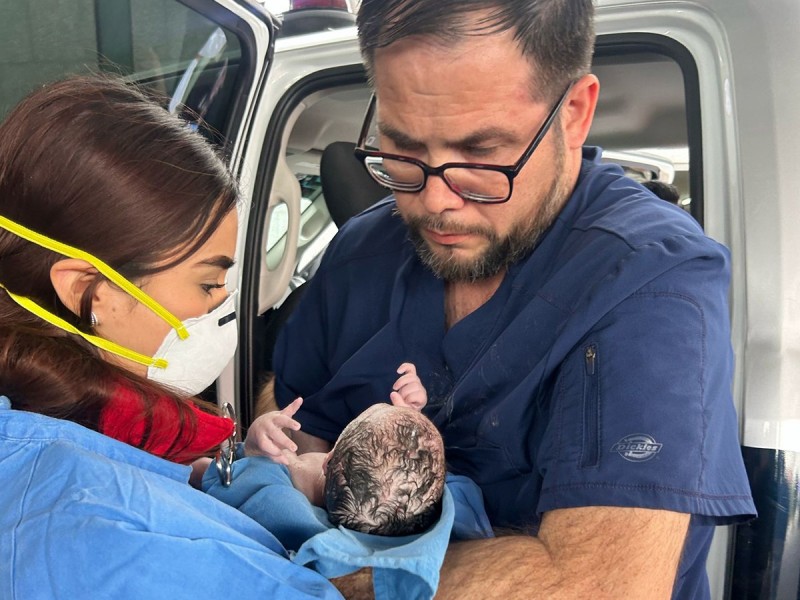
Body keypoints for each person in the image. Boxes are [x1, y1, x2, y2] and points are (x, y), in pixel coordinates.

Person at [269, 1, 757, 598]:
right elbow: (299, 415)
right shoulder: (361, 251)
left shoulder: (650, 280)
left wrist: (295, 569)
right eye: (403, 151)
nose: (437, 202)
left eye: (480, 156)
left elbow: (598, 585)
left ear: (574, 114)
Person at [0, 74, 342, 598]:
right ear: (89, 292)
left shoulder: (48, 428)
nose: (222, 306)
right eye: (207, 282)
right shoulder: (102, 528)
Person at [246, 363, 444, 535]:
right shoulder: (388, 510)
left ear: (328, 460)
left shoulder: (281, 482)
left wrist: (257, 440)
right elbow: (401, 468)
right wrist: (412, 416)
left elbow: (243, 472)